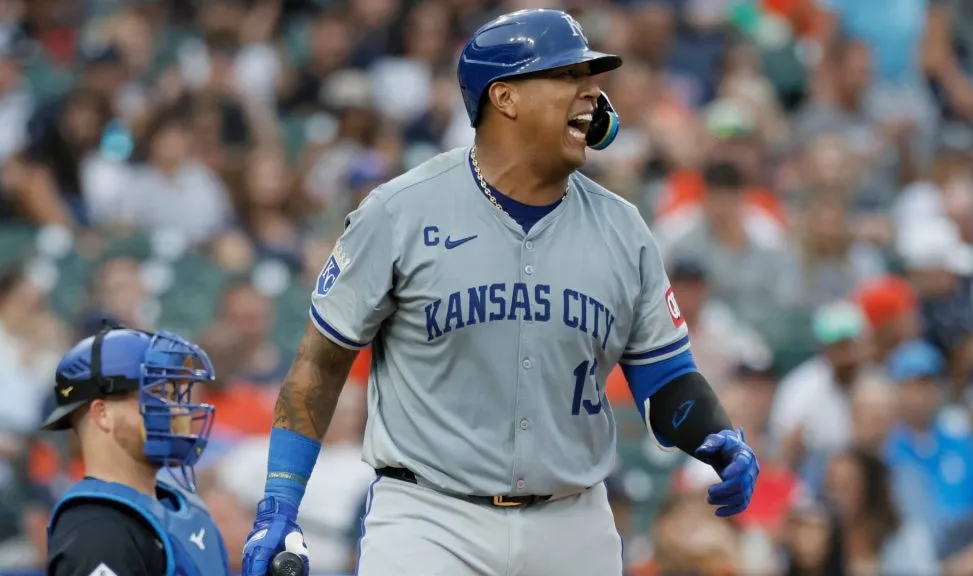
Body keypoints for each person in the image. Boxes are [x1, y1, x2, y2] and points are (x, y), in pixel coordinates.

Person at [240, 9, 760, 576]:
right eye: (568, 76)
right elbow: (320, 362)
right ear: (505, 97)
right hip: (430, 518)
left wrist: (715, 435)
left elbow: (664, 377)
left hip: (572, 522)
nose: (592, 93)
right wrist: (280, 501)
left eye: (591, 77)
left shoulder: (624, 228)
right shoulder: (398, 212)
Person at [43, 323, 229, 575]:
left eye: (176, 397)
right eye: (157, 394)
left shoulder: (185, 508)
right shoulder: (98, 530)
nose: (179, 412)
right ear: (103, 413)